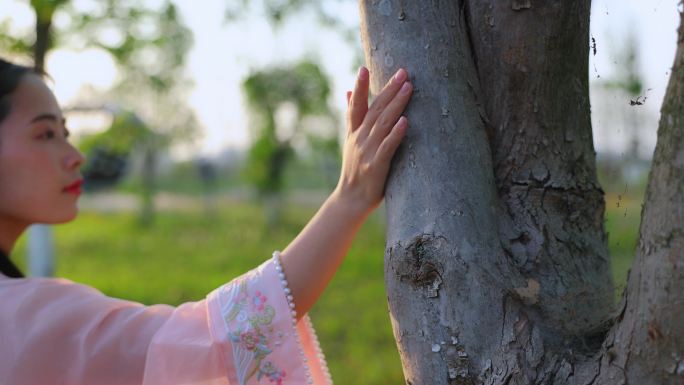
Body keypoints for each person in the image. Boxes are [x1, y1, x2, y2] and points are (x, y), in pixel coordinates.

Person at [0, 57, 413, 384]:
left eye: (65, 132)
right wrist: (350, 197)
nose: (75, 156)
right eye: (45, 134)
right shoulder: (23, 315)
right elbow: (216, 339)